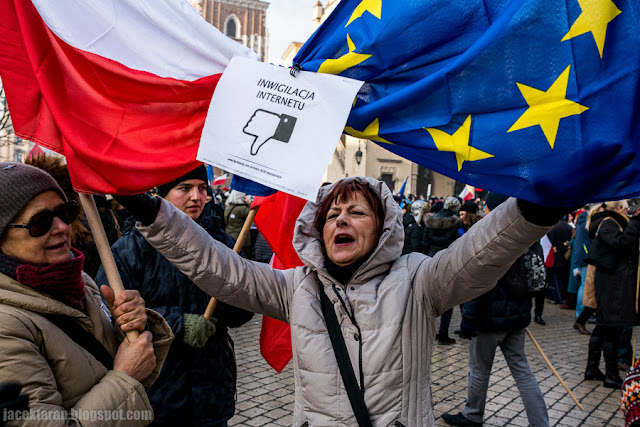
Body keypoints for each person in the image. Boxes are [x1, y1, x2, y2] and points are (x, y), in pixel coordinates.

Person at [115, 176, 568, 426]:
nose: (340, 221)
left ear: (383, 227)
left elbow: (479, 254)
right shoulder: (296, 286)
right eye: (332, 214)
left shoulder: (418, 280)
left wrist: (536, 208)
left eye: (356, 211)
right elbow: (219, 267)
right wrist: (148, 209)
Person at [0, 162, 172, 425]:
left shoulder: (80, 281)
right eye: (40, 222)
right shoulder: (5, 326)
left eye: (66, 212)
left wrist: (131, 326)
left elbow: (99, 365)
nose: (62, 227)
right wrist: (125, 377)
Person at [96, 165, 253, 427]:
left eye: (202, 188)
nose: (197, 196)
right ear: (162, 195)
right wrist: (178, 325)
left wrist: (230, 299)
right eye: (184, 188)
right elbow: (110, 316)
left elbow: (245, 310)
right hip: (157, 396)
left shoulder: (222, 243)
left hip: (212, 394)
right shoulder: (130, 248)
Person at [442, 192, 548, 427]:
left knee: (479, 369)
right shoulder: (528, 235)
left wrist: (468, 319)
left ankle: (472, 414)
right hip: (517, 317)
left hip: (489, 318)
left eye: (488, 207)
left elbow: (477, 282)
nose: (485, 210)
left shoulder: (490, 237)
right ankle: (540, 422)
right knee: (523, 371)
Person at [584, 200, 640, 389]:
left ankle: (592, 370)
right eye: (625, 209)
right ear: (618, 209)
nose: (627, 212)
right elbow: (621, 244)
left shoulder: (609, 222)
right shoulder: (608, 222)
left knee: (602, 327)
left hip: (612, 283)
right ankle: (611, 375)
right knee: (611, 329)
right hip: (612, 285)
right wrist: (636, 223)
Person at [423, 196, 463, 345]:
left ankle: (428, 331)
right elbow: (462, 239)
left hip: (430, 261)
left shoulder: (431, 220)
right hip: (448, 262)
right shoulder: (455, 222)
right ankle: (443, 333)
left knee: (428, 298)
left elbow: (424, 242)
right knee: (448, 299)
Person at [224, 190, 252, 256]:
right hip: (240, 239)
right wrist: (250, 203)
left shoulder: (228, 207)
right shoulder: (241, 209)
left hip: (229, 236)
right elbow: (253, 214)